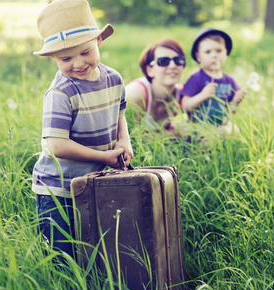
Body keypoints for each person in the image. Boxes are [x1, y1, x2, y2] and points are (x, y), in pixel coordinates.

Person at [31, 0, 133, 258]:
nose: (78, 63)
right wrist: (103, 157)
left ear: (99, 42)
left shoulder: (113, 79)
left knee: (95, 250)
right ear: (53, 58)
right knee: (62, 256)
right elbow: (57, 145)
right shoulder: (61, 92)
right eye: (66, 58)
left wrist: (124, 141)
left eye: (85, 52)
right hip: (60, 188)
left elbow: (119, 114)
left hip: (95, 183)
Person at [180, 27, 246, 139]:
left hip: (219, 128)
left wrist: (236, 102)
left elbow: (230, 112)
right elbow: (185, 106)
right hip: (197, 129)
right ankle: (199, 150)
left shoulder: (229, 81)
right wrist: (203, 95)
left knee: (234, 131)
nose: (214, 55)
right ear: (198, 57)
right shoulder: (196, 78)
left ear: (226, 53)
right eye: (208, 52)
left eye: (219, 51)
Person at [125, 39, 186, 135]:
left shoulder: (184, 95)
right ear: (150, 70)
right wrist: (172, 134)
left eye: (178, 60)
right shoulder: (136, 93)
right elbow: (128, 138)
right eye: (163, 61)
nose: (173, 65)